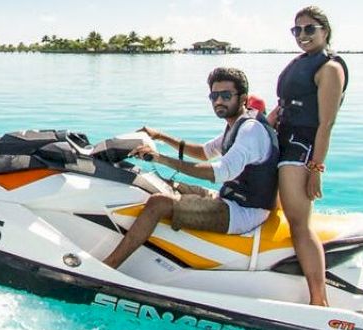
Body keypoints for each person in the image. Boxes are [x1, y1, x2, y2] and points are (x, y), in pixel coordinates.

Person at [101, 67, 280, 269]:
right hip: (229, 198)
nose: (219, 101)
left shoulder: (250, 130)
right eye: (214, 96)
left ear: (243, 98)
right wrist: (160, 136)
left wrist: (161, 159)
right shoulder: (236, 124)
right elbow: (204, 152)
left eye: (226, 95)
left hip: (244, 213)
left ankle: (108, 266)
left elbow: (219, 172)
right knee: (157, 183)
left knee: (158, 202)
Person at [269, 5, 348, 307]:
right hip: (280, 142)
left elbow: (326, 123)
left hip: (300, 150)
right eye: (296, 30)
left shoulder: (330, 68)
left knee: (299, 224)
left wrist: (316, 168)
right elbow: (283, 105)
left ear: (325, 31)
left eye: (309, 29)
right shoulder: (300, 63)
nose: (302, 35)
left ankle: (319, 300)